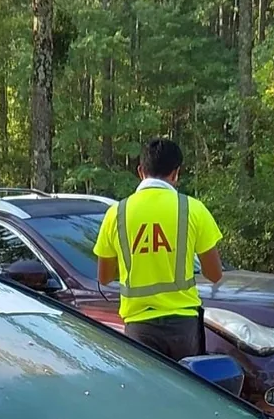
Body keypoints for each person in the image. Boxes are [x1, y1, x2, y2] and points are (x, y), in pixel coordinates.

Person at [92, 137, 225, 360]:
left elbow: (104, 277)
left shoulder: (116, 213)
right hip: (183, 325)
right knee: (184, 382)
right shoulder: (193, 209)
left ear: (140, 171)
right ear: (176, 173)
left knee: (146, 383)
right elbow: (214, 274)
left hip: (139, 325)